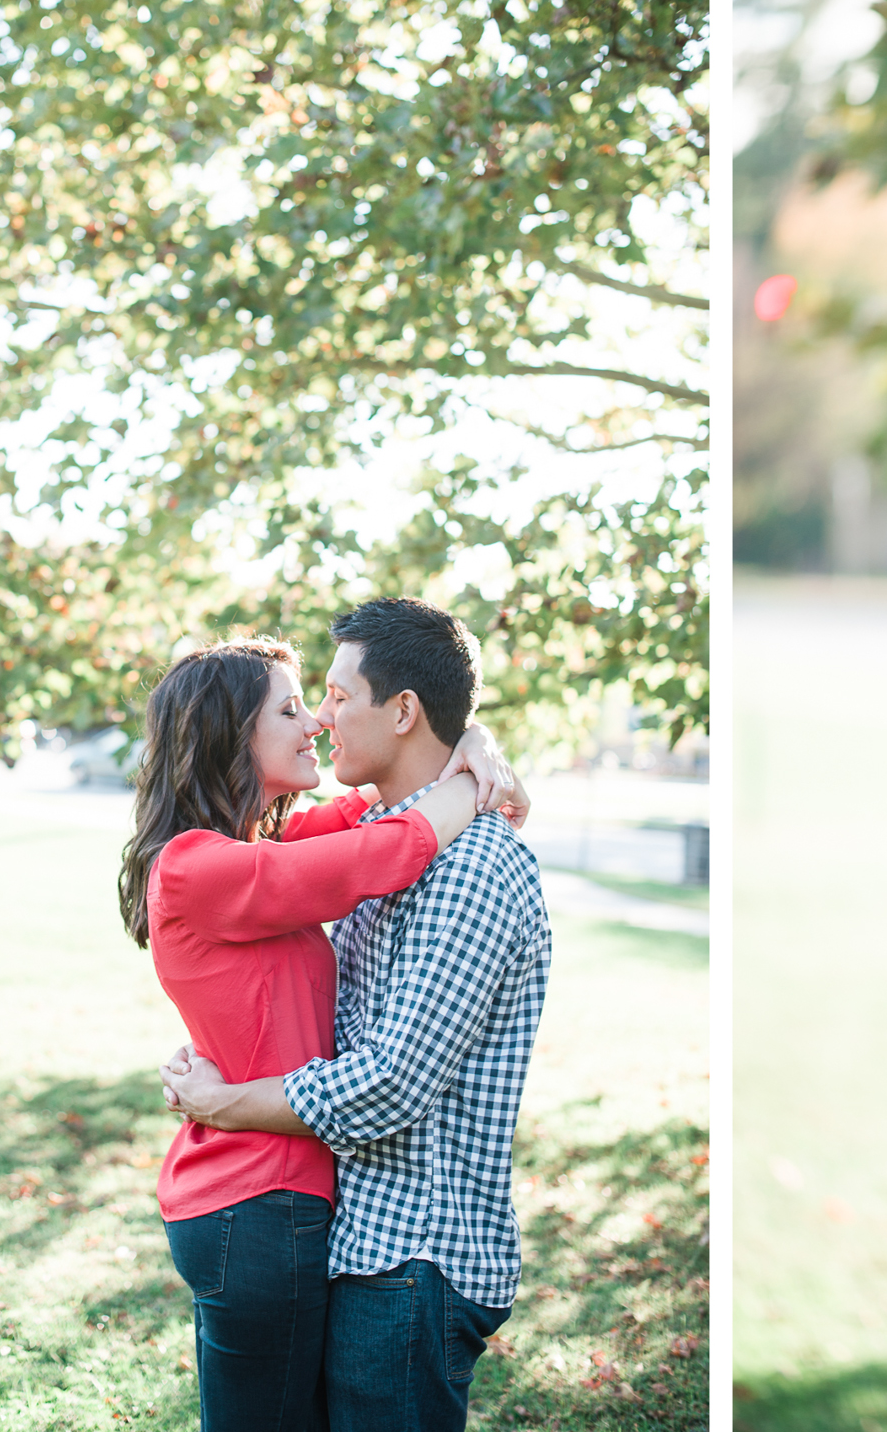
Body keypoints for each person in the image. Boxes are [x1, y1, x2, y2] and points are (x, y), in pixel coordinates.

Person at [162, 597, 551, 1432]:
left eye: (334, 696)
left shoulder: (471, 867)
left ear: (403, 709)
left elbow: (389, 1080)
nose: (321, 719)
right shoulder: (219, 860)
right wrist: (467, 766)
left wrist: (472, 753)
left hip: (411, 1250)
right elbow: (378, 843)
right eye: (301, 704)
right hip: (329, 1228)